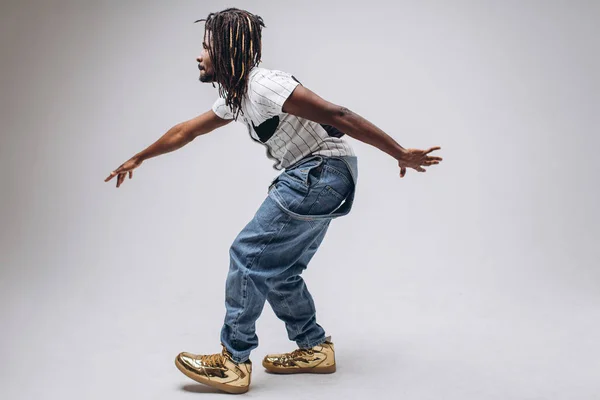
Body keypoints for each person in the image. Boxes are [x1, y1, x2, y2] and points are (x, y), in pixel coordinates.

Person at [104, 7, 442, 394]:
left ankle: (234, 361)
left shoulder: (264, 84)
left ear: (228, 51)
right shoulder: (238, 96)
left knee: (247, 254)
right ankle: (314, 347)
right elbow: (185, 131)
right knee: (278, 269)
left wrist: (398, 152)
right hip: (326, 175)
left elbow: (338, 113)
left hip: (319, 172)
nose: (198, 56)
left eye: (205, 48)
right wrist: (140, 157)